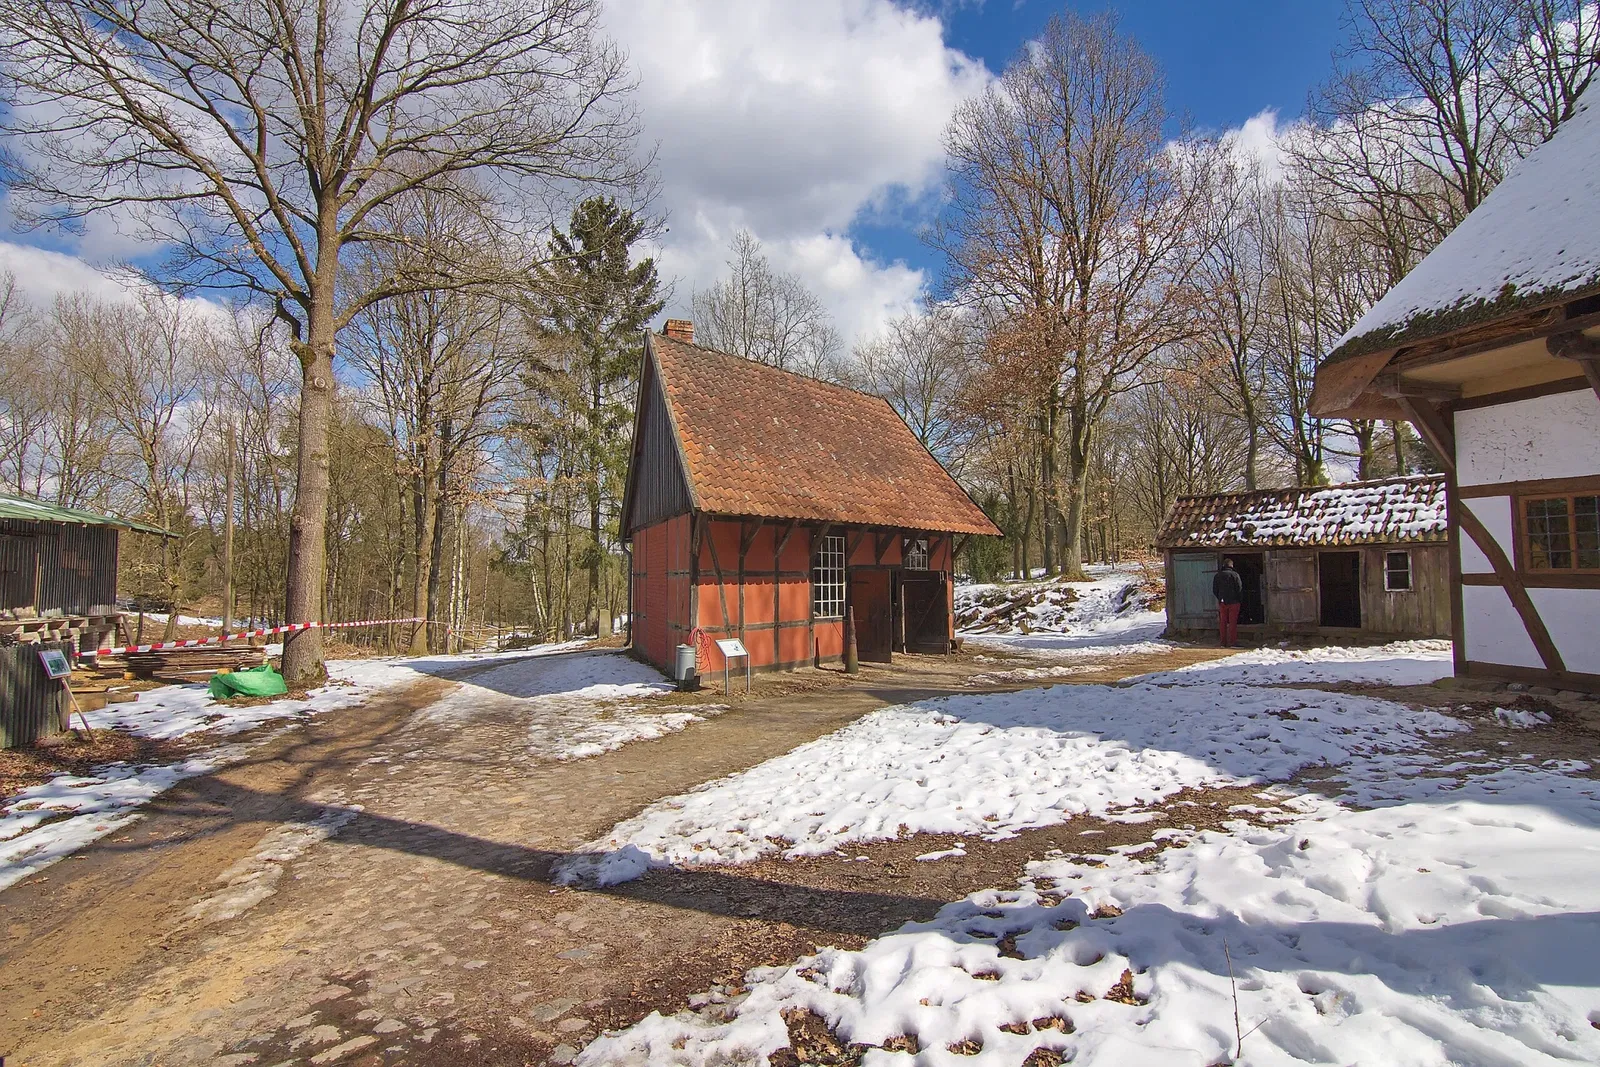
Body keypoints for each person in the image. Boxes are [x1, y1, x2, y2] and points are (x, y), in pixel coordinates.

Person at [1213, 557, 1243, 647]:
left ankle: (1223, 642)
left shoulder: (1218, 575)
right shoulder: (1235, 575)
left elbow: (1215, 589)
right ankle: (1232, 642)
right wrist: (1239, 599)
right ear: (1231, 565)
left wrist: (1220, 597)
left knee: (1223, 622)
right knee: (1232, 622)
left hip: (1222, 602)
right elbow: (1239, 588)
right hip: (1234, 602)